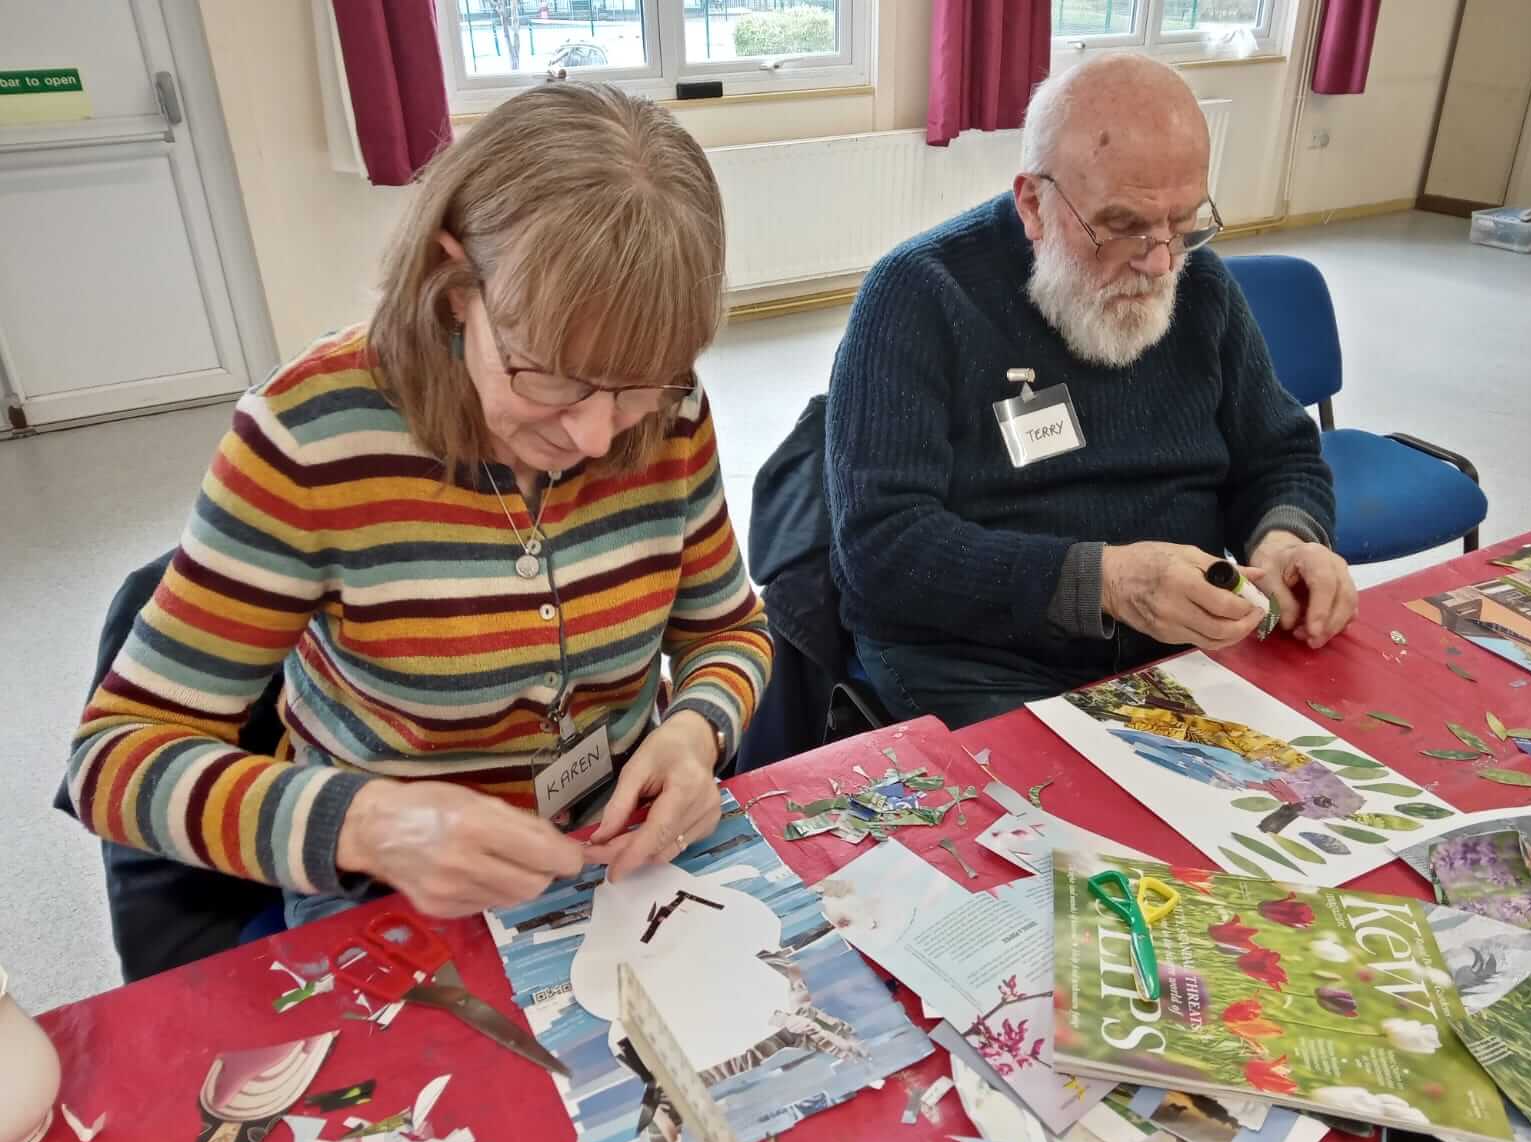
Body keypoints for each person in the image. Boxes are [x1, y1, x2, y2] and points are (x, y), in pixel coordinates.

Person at [66, 83, 771, 926]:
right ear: (454, 287)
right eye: (547, 376)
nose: (592, 435)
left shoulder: (672, 410)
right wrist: (366, 825)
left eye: (631, 393)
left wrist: (696, 733)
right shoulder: (309, 439)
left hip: (624, 860)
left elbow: (728, 630)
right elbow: (114, 759)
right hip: (395, 896)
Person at [826, 54, 1356, 728]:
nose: (1160, 260)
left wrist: (1285, 540)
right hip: (977, 658)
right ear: (1033, 204)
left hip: (1173, 642)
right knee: (1083, 830)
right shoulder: (919, 297)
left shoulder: (1200, 285)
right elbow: (883, 548)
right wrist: (1105, 582)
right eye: (1124, 225)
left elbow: (1279, 454)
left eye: (1184, 221)